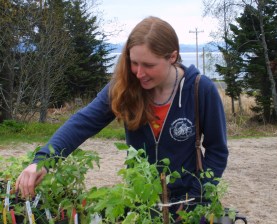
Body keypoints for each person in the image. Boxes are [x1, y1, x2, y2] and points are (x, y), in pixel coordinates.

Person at [16, 16, 228, 219]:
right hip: (140, 203)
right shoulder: (124, 87)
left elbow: (217, 150)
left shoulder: (201, 90)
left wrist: (197, 198)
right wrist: (43, 160)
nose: (138, 72)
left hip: (187, 204)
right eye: (134, 62)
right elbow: (83, 122)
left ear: (172, 57)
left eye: (149, 65)